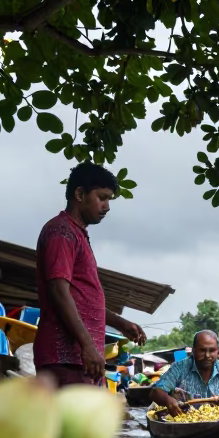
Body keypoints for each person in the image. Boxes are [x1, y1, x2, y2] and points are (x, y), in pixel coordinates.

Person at [34, 162, 146, 387]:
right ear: (79, 194)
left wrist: (119, 323)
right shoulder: (61, 232)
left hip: (82, 360)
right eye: (102, 197)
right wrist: (87, 346)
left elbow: (81, 299)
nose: (107, 206)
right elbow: (58, 290)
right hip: (66, 358)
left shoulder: (77, 234)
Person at [150, 329, 219, 416]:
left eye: (212, 350)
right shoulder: (179, 368)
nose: (207, 355)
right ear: (193, 350)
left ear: (218, 351)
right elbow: (156, 391)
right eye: (202, 350)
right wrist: (168, 400)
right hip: (185, 423)